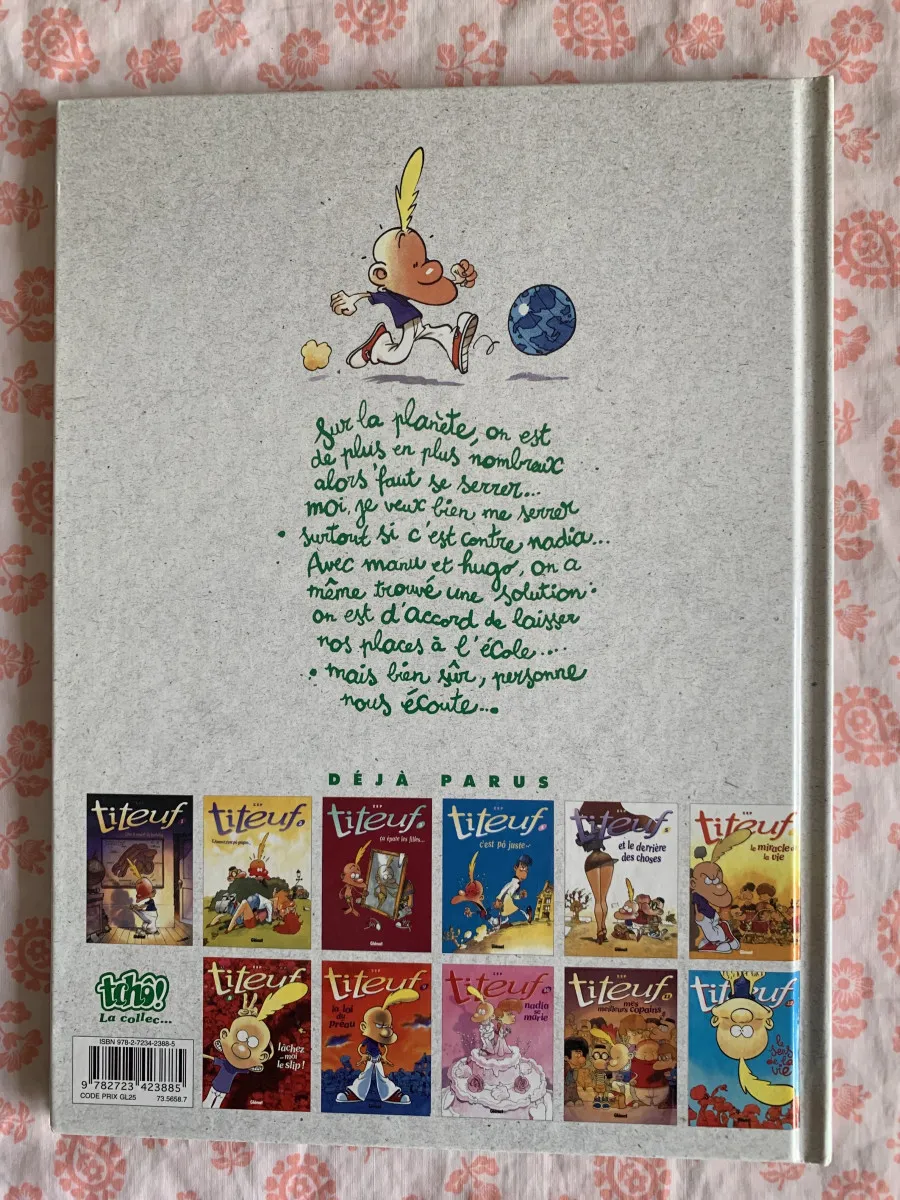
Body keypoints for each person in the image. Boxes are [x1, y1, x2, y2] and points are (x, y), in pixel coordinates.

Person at [330, 148, 478, 374]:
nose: (429, 268)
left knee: (428, 331)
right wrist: (352, 299)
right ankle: (376, 347)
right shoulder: (387, 293)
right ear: (381, 274)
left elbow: (426, 286)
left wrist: (457, 281)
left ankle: (452, 340)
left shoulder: (402, 287)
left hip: (414, 320)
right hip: (407, 322)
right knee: (399, 354)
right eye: (415, 264)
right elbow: (370, 295)